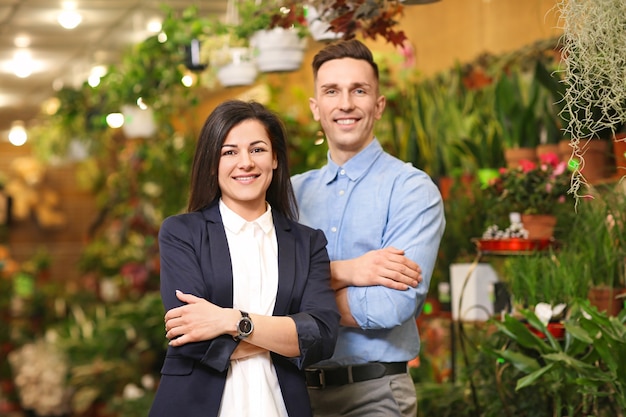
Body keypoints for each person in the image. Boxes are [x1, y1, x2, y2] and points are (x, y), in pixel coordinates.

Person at [149, 100, 340, 417]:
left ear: (275, 158)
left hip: (280, 406)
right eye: (229, 152)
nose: (245, 163)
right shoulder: (182, 233)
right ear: (212, 164)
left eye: (258, 149)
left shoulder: (308, 243)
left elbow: (321, 336)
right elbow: (193, 339)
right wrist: (284, 338)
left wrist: (232, 321)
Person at [290, 39, 446, 417]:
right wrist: (349, 271)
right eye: (331, 91)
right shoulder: (289, 195)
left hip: (375, 396)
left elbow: (392, 303)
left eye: (358, 90)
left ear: (378, 105)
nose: (345, 103)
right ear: (316, 108)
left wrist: (298, 303)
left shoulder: (411, 189)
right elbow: (262, 290)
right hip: (293, 394)